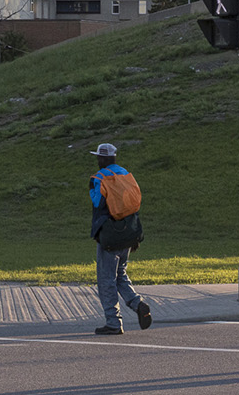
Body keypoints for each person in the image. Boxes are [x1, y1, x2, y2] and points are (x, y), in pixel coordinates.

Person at [87, 143, 151, 335]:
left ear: (102, 159)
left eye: (98, 157)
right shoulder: (125, 174)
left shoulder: (99, 178)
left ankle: (113, 322)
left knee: (106, 279)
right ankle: (137, 303)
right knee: (120, 274)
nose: (97, 160)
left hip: (110, 236)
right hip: (129, 234)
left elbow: (97, 202)